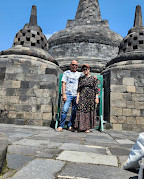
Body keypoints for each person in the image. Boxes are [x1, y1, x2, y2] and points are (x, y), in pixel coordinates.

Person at [56, 60, 81, 132]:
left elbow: (86, 75)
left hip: (76, 94)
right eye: (73, 65)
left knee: (74, 111)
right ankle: (61, 125)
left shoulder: (79, 74)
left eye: (76, 65)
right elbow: (63, 83)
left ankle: (70, 125)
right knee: (64, 110)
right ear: (70, 65)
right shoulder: (66, 73)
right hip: (68, 94)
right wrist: (64, 94)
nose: (74, 66)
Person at [74, 64, 99, 133]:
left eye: (86, 69)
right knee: (81, 110)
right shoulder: (81, 79)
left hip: (90, 97)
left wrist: (96, 98)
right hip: (82, 96)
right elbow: (79, 89)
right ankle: (81, 127)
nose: (85, 71)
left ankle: (87, 128)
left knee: (89, 112)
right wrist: (77, 98)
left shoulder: (93, 78)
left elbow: (96, 89)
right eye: (84, 69)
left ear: (89, 70)